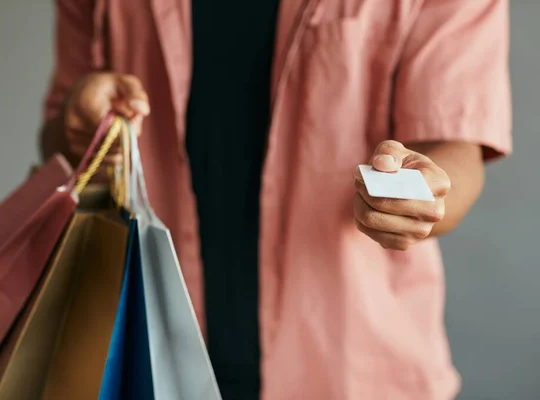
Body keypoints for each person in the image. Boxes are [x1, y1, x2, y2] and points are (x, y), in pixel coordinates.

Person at [40, 1, 511, 399]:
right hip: (142, 361)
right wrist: (80, 124)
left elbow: (457, 145)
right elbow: (61, 141)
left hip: (352, 368)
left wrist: (418, 193)